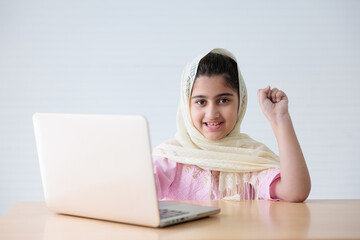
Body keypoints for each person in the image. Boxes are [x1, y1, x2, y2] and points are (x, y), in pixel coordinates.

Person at [153, 48, 311, 202]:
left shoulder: (250, 159)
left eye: (223, 100)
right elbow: (135, 194)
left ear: (240, 103)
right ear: (187, 106)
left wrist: (280, 119)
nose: (212, 113)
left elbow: (294, 192)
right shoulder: (171, 157)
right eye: (201, 102)